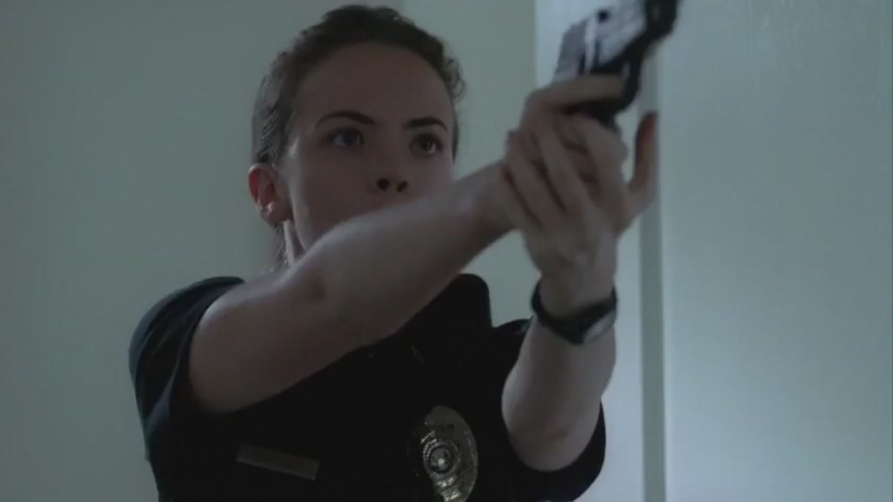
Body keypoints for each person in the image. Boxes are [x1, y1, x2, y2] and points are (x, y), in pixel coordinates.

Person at [128, 5, 657, 501]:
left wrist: (583, 277)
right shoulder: (183, 341)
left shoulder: (485, 358)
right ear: (269, 191)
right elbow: (331, 299)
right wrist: (509, 186)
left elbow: (554, 427)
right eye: (348, 138)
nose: (394, 171)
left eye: (425, 143)